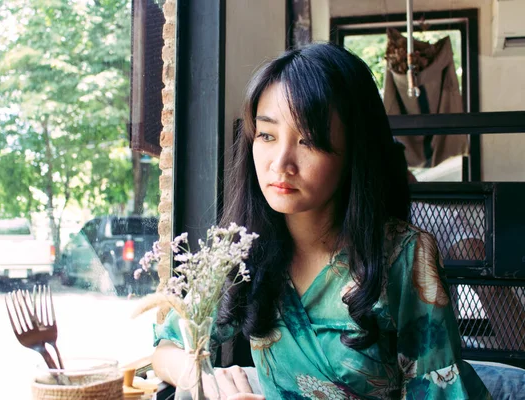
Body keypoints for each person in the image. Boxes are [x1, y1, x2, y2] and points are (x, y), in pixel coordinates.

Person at [152, 43, 491, 399]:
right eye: (267, 135)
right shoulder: (241, 252)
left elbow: (437, 391)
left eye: (309, 141)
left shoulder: (404, 255)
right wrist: (201, 376)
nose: (280, 162)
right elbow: (166, 345)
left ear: (354, 152)